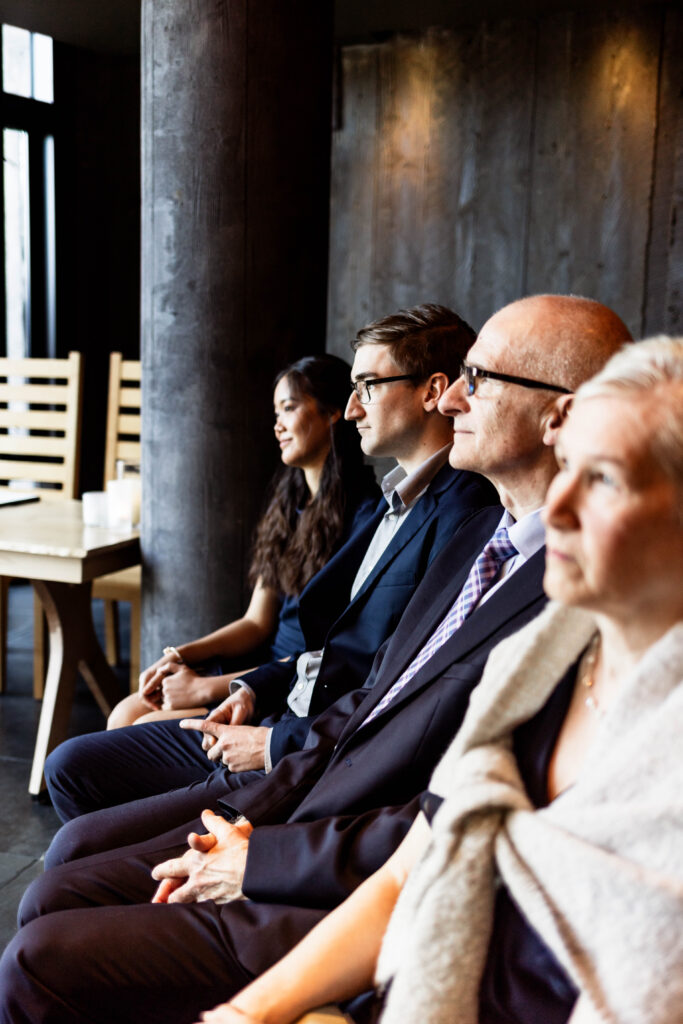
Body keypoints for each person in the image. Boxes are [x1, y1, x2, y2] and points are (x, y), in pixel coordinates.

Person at [0, 295, 633, 1024]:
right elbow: (361, 706)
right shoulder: (479, 538)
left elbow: (449, 820)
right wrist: (246, 814)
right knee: (60, 869)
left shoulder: (577, 601)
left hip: (347, 877)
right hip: (305, 803)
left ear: (567, 417)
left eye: (479, 378)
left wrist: (259, 852)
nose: (458, 395)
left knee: (39, 950)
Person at [198, 335, 683, 1024]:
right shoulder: (539, 658)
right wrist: (250, 1013)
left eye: (602, 478)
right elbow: (412, 866)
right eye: (567, 467)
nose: (561, 509)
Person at [47, 304, 496, 818]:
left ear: (431, 392)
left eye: (367, 385)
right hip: (280, 703)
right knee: (72, 765)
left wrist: (270, 741)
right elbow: (319, 643)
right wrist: (250, 689)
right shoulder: (395, 502)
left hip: (305, 749)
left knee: (76, 809)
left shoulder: (459, 512)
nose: (353, 409)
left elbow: (394, 688)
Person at [108, 352, 380, 729]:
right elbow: (256, 622)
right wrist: (179, 656)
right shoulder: (291, 503)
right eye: (276, 414)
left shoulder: (366, 516)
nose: (278, 426)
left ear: (334, 412)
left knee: (139, 728)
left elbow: (327, 655)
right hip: (262, 663)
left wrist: (205, 688)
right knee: (127, 711)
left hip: (292, 683)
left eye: (288, 409)